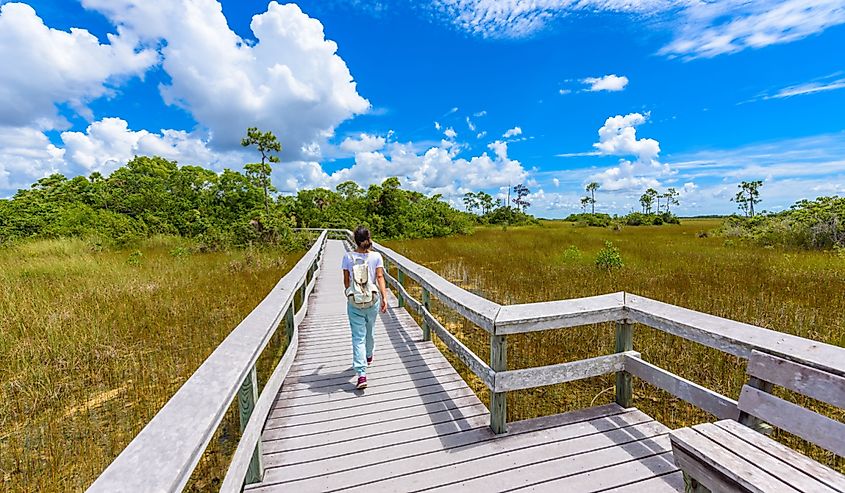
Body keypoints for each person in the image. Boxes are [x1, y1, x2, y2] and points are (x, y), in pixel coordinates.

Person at [342, 226, 388, 390]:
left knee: (358, 337)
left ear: (355, 240)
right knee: (370, 330)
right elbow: (380, 277)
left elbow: (346, 280)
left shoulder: (348, 257)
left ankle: (361, 374)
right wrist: (384, 297)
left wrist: (350, 293)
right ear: (369, 238)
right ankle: (368, 355)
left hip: (355, 301)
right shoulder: (376, 256)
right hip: (372, 300)